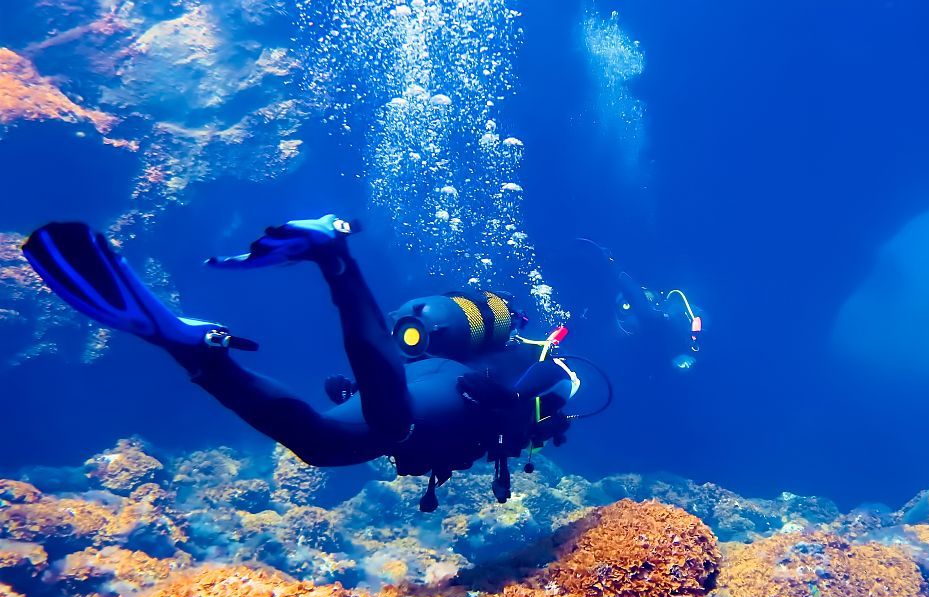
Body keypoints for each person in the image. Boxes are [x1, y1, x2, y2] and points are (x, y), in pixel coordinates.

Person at [22, 215, 583, 512]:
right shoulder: (535, 365)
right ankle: (331, 252)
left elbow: (535, 394)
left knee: (318, 443)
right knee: (390, 425)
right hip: (447, 392)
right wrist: (524, 412)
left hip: (422, 383)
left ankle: (193, 348)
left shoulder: (505, 358)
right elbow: (560, 391)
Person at [577, 238, 704, 371]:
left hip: (660, 358)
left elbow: (639, 302)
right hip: (643, 362)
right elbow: (637, 302)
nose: (647, 298)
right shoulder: (627, 322)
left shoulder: (673, 307)